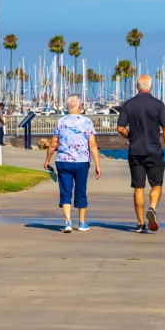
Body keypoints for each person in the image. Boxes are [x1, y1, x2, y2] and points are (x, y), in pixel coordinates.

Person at [117, 74, 165, 233]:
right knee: (156, 184)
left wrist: (130, 136)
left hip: (135, 151)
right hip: (154, 151)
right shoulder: (158, 105)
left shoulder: (128, 105)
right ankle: (152, 208)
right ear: (151, 87)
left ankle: (140, 223)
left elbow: (120, 128)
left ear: (137, 87)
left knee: (138, 188)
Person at [43, 94, 101, 233]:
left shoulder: (61, 121)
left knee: (66, 191)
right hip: (82, 162)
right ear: (80, 106)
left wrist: (47, 160)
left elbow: (53, 144)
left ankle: (68, 222)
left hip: (63, 161)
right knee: (81, 191)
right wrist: (98, 165)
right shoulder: (87, 122)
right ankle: (81, 223)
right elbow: (92, 144)